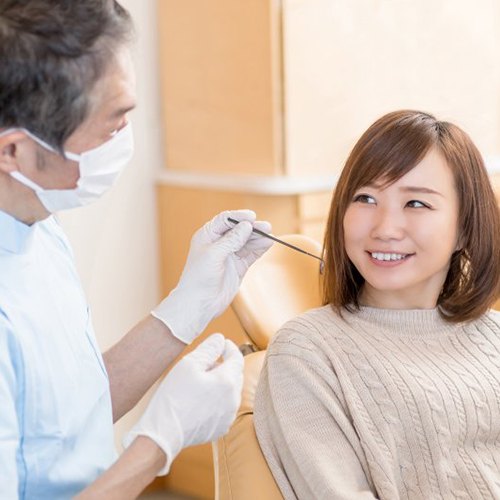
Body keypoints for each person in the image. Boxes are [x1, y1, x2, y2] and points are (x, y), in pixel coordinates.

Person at [0, 1, 273, 498]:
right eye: (113, 121)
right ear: (15, 151)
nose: (125, 137)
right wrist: (159, 443)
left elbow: (60, 418)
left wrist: (185, 309)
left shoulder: (34, 226)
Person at [254, 110, 500, 499]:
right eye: (365, 198)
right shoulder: (307, 351)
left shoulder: (494, 337)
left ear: (465, 228)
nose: (384, 228)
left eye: (416, 204)